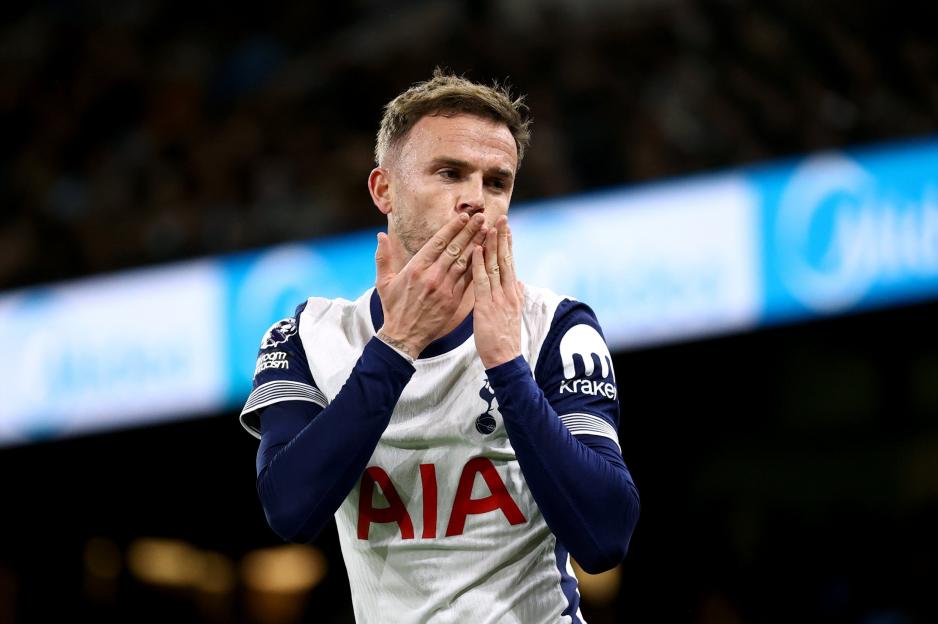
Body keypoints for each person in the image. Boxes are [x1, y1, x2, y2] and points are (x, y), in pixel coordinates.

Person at [239, 70, 640, 623]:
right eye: (450, 173)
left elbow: (605, 537)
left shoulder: (556, 328)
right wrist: (397, 344)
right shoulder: (309, 336)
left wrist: (507, 367)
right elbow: (289, 511)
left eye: (496, 182)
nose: (475, 200)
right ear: (384, 189)